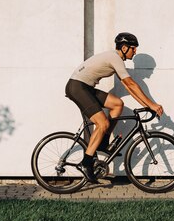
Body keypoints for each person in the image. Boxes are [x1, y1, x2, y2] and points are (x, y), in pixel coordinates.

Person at [65, 32, 164, 183]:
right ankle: (86, 163)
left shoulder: (115, 59)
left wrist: (148, 105)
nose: (135, 51)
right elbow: (131, 85)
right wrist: (151, 105)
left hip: (86, 87)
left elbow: (130, 89)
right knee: (102, 123)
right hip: (77, 87)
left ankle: (103, 143)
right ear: (124, 48)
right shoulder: (115, 58)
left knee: (117, 104)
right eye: (133, 48)